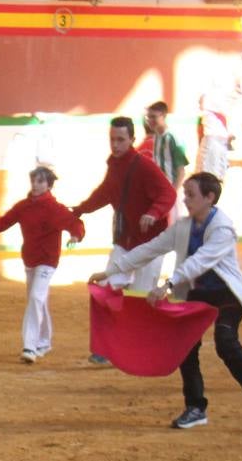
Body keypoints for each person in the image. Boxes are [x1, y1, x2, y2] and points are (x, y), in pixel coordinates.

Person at [90, 173, 242, 427]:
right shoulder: (183, 227)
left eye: (191, 194)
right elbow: (150, 249)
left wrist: (167, 285)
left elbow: (200, 261)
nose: (185, 199)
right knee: (186, 347)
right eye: (185, 194)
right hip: (196, 295)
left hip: (226, 295)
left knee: (226, 341)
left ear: (209, 198)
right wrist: (110, 270)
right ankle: (195, 407)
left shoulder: (222, 228)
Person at [71, 115, 177, 363]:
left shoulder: (144, 165)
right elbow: (104, 193)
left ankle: (144, 345)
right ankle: (108, 347)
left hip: (151, 243)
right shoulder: (115, 166)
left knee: (141, 296)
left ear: (131, 140)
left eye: (120, 140)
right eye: (112, 139)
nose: (115, 145)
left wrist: (153, 213)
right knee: (110, 287)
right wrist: (79, 210)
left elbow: (168, 194)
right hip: (126, 240)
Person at [0, 167, 85, 363]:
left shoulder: (55, 208)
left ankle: (30, 346)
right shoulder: (23, 206)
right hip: (30, 260)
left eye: (41, 181)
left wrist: (76, 236)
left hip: (48, 261)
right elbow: (2, 223)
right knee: (38, 299)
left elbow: (75, 224)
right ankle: (44, 341)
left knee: (35, 297)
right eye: (34, 180)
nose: (35, 185)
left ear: (49, 185)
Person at [144, 100, 188, 190]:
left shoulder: (173, 137)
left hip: (171, 189)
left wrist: (173, 192)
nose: (150, 120)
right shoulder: (157, 136)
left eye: (153, 117)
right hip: (160, 188)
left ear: (163, 116)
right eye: (148, 117)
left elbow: (181, 171)